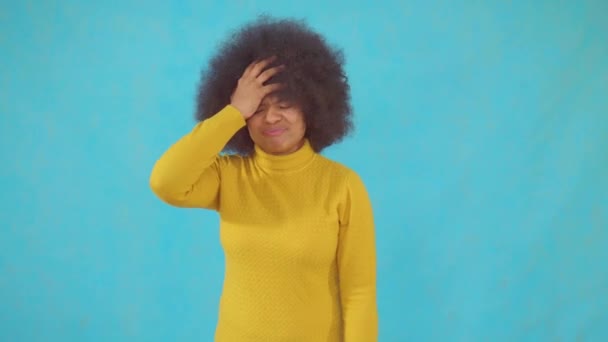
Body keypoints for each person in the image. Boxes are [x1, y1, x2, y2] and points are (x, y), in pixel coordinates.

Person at [149, 15, 378, 341]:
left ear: (311, 107)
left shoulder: (342, 186)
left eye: (285, 103)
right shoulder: (229, 177)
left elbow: (359, 292)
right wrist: (233, 112)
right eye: (257, 108)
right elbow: (165, 182)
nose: (271, 117)